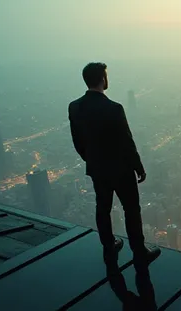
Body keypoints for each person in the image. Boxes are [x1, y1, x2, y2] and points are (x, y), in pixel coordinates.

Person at [69, 62, 160, 265]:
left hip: (97, 169)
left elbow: (77, 140)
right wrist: (139, 167)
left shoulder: (75, 107)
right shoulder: (113, 108)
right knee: (131, 210)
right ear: (103, 79)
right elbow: (127, 141)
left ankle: (109, 244)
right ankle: (139, 251)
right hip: (121, 169)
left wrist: (91, 159)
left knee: (103, 207)